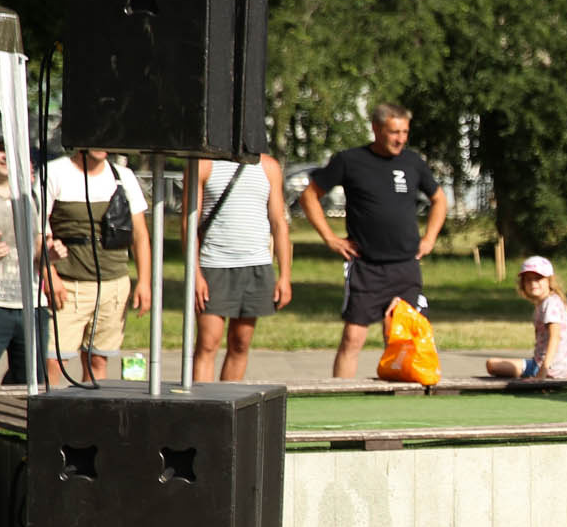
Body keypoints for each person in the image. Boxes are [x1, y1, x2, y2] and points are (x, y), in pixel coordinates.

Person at [301, 103, 448, 379]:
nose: (400, 139)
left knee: (402, 335)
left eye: (405, 132)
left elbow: (439, 199)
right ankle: (340, 398)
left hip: (406, 266)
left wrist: (429, 238)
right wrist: (330, 239)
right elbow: (309, 196)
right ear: (376, 129)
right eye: (394, 132)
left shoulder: (412, 162)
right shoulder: (350, 160)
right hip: (366, 266)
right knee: (353, 338)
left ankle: (398, 398)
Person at [44, 147, 152, 383]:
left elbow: (140, 235)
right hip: (68, 285)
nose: (102, 145)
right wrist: (49, 275)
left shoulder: (123, 176)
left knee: (98, 360)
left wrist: (144, 282)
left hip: (113, 285)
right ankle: (52, 415)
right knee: (54, 360)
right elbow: (37, 231)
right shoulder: (54, 172)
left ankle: (90, 416)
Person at [187, 152, 292, 382]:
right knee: (207, 344)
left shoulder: (269, 166)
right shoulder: (204, 164)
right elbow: (189, 224)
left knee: (241, 344)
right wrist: (195, 275)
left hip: (255, 265)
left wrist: (285, 276)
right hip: (214, 265)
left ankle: (230, 406)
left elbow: (278, 223)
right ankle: (204, 407)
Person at [0, 124, 54, 386]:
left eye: (12, 150)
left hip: (31, 304)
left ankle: (16, 428)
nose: (6, 156)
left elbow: (37, 246)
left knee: (32, 386)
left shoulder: (30, 197)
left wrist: (50, 254)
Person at [485, 256, 567, 380]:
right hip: (561, 367)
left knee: (492, 364)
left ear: (549, 280)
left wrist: (542, 372)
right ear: (523, 283)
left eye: (538, 279)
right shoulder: (547, 302)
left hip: (550, 367)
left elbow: (555, 337)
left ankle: (538, 371)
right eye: (528, 280)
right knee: (494, 364)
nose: (533, 283)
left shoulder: (550, 304)